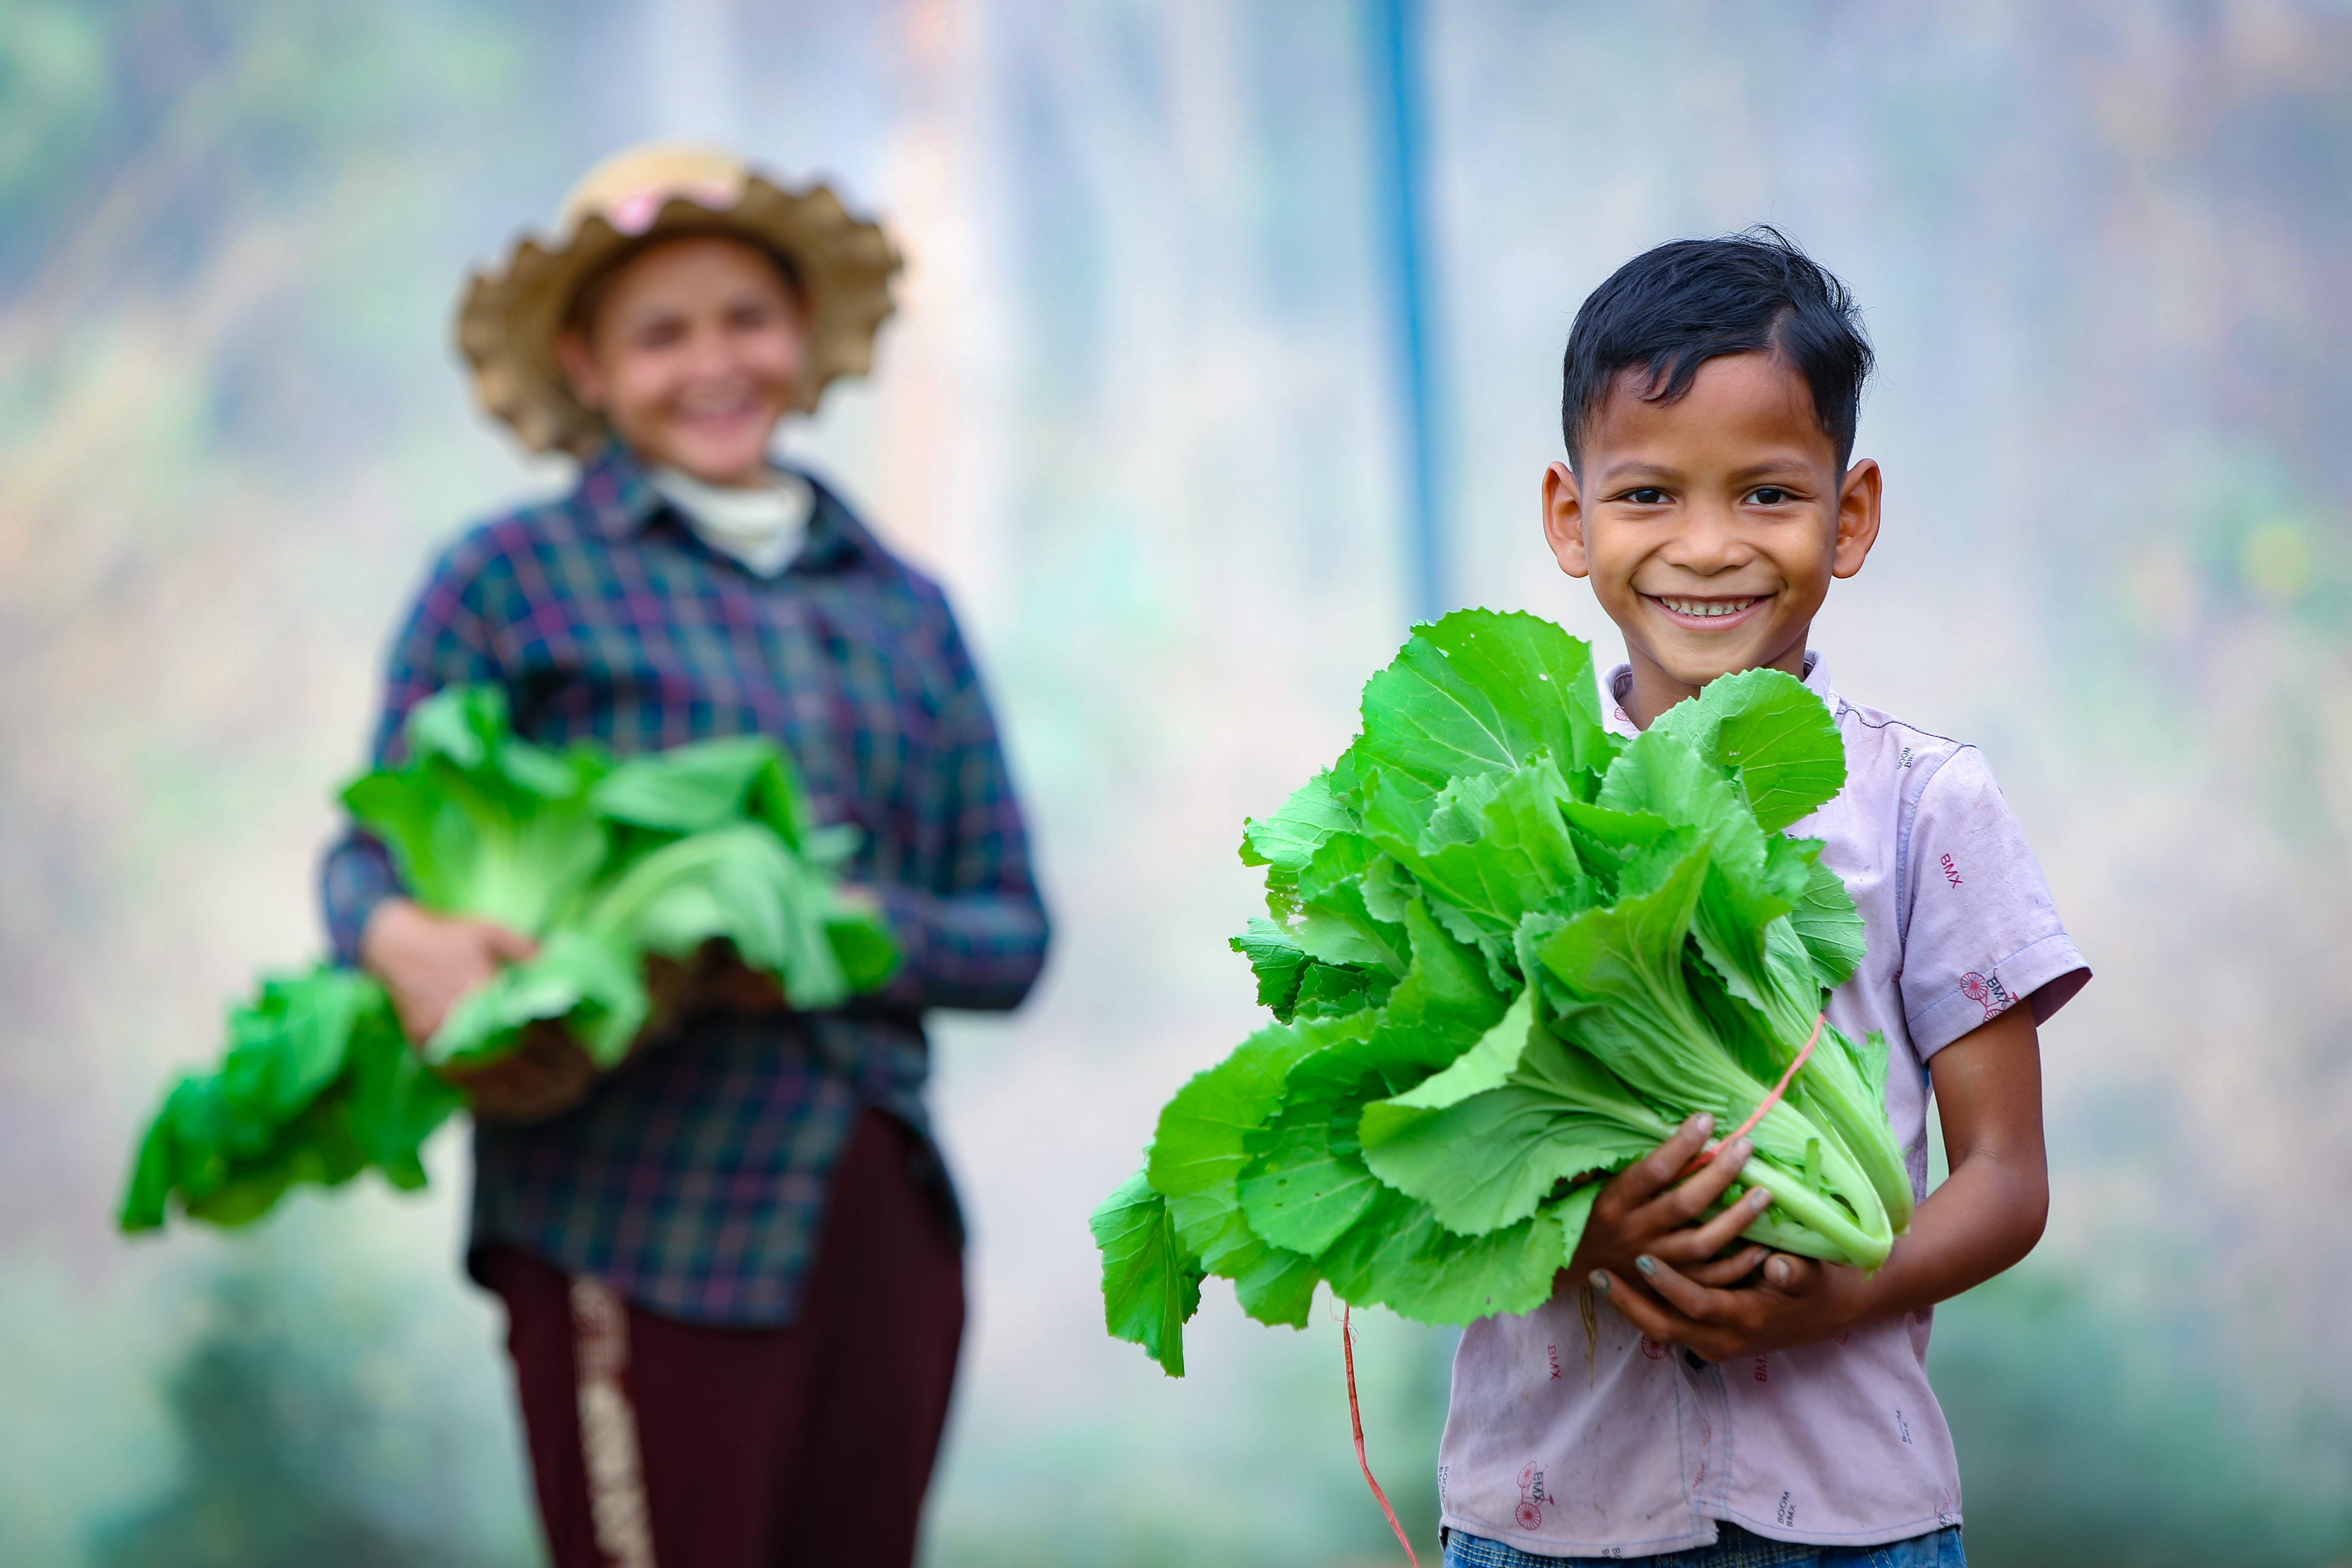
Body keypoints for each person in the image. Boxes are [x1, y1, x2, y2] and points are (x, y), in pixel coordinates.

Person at [319, 144, 1049, 1568]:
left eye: (745, 319)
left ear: (801, 340)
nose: (712, 362)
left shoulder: (903, 607)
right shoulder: (512, 581)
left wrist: (814, 936)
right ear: (587, 365)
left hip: (876, 1215)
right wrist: (399, 940)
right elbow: (369, 859)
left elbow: (1010, 932)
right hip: (635, 1212)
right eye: (661, 334)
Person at [1436, 231, 2088, 1567]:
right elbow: (1432, 1176)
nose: (1709, 546)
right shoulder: (1494, 823)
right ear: (1572, 518)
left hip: (1853, 1519)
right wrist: (1583, 1230)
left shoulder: (1922, 805)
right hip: (1552, 1523)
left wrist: (1849, 1288)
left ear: (1850, 518)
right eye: (1650, 497)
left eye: (1770, 494)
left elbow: (2007, 1180)